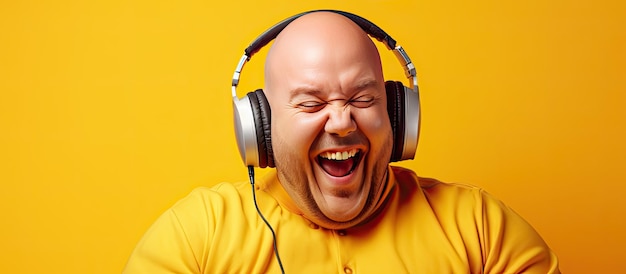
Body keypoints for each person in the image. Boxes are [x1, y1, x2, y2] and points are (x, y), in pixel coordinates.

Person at [124, 11, 560, 273]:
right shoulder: (196, 236)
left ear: (395, 113)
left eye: (362, 98)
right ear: (262, 128)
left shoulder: (480, 229)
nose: (341, 121)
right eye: (311, 103)